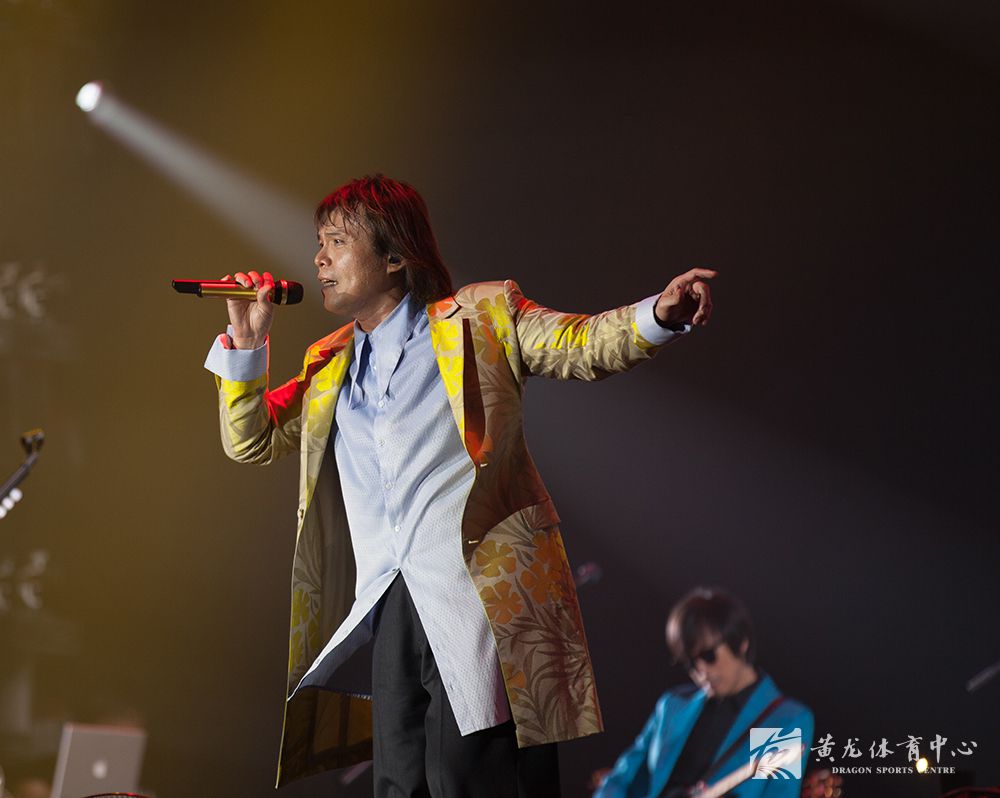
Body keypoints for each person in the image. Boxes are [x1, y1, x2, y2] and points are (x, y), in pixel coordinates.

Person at [203, 174, 716, 797]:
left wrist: (658, 316)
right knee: (399, 783)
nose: (319, 259)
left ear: (395, 256)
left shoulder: (479, 318)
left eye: (337, 241)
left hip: (476, 591)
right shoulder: (329, 362)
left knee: (469, 777)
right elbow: (251, 441)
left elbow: (578, 345)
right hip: (388, 594)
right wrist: (247, 341)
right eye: (319, 243)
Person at [592, 588, 813, 798]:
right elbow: (619, 780)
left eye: (709, 655)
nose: (700, 671)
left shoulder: (782, 719)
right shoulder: (672, 705)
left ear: (741, 643)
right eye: (690, 662)